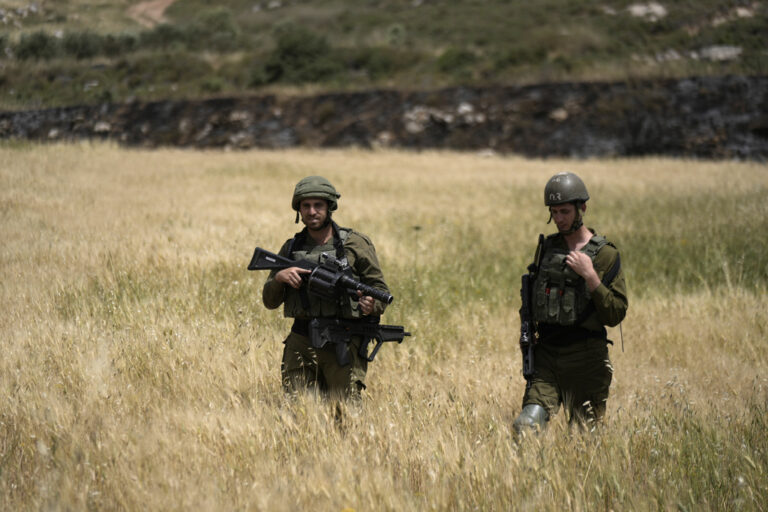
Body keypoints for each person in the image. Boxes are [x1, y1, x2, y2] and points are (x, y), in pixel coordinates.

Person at [513, 172, 628, 433]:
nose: (559, 219)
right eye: (554, 212)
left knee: (584, 440)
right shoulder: (548, 247)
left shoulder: (605, 254)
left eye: (564, 211)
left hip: (586, 358)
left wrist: (590, 276)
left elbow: (616, 313)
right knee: (526, 426)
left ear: (582, 208)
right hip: (547, 356)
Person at [262, 176, 390, 401]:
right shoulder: (291, 248)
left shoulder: (355, 244)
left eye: (318, 205)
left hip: (342, 340)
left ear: (329, 207)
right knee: (298, 411)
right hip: (301, 340)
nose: (312, 212)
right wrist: (280, 278)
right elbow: (269, 302)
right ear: (299, 210)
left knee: (345, 412)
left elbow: (378, 287)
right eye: (306, 206)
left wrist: (372, 305)